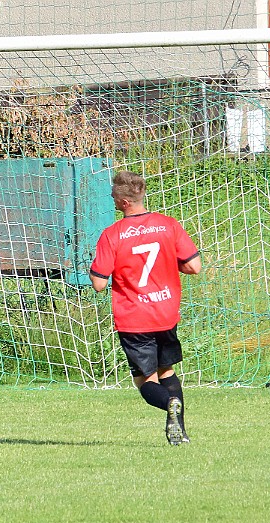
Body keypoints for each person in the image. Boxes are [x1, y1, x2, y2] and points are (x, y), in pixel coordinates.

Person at [90, 171, 201, 446]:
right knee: (167, 372)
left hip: (134, 319)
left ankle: (169, 403)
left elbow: (99, 284)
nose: (112, 199)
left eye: (114, 195)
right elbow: (193, 266)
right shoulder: (168, 225)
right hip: (165, 314)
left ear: (124, 202)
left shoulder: (113, 234)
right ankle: (180, 434)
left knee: (146, 382)